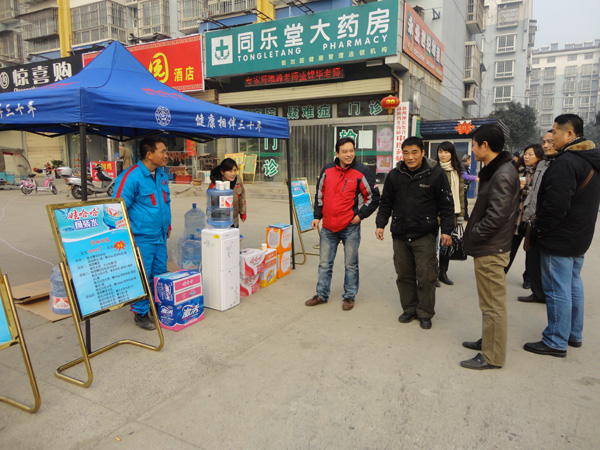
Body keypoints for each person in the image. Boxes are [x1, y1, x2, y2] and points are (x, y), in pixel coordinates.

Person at [524, 114, 600, 358]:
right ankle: (573, 334)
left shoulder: (566, 162)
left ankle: (556, 340)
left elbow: (555, 206)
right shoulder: (589, 160)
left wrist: (540, 230)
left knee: (557, 289)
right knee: (573, 284)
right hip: (579, 236)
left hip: (559, 238)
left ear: (569, 134)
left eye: (555, 132)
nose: (551, 137)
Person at [375, 137, 454, 329]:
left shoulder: (436, 174)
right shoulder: (395, 175)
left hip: (424, 234)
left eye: (414, 152)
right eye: (406, 153)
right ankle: (409, 309)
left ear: (423, 153)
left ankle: (425, 312)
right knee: (404, 275)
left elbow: (446, 205)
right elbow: (386, 202)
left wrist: (446, 230)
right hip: (400, 234)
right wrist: (380, 224)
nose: (410, 157)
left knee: (426, 276)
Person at [460, 124, 520, 370]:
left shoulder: (502, 174)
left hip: (491, 249)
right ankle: (489, 340)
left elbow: (496, 217)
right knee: (488, 303)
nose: (472, 151)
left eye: (474, 145)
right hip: (490, 246)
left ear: (485, 146)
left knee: (493, 305)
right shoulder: (497, 170)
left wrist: (475, 234)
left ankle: (492, 356)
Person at [305, 137, 380, 311]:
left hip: (350, 226)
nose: (349, 154)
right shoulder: (327, 170)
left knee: (350, 264)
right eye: (344, 151)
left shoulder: (361, 171)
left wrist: (359, 216)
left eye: (351, 150)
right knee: (324, 264)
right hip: (328, 226)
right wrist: (317, 216)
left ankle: (349, 296)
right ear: (337, 153)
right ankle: (321, 294)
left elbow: (374, 197)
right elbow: (320, 194)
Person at [113, 136, 171, 330]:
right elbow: (117, 209)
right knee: (141, 275)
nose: (166, 155)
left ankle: (156, 306)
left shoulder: (161, 175)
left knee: (159, 273)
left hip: (160, 236)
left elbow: (166, 203)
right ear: (149, 154)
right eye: (162, 151)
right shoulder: (130, 177)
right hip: (141, 238)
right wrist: (124, 237)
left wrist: (167, 225)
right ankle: (140, 312)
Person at [517, 130, 559, 303]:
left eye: (551, 142)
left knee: (547, 263)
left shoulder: (561, 164)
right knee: (532, 256)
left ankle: (547, 294)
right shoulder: (541, 165)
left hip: (548, 221)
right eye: (544, 142)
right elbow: (534, 192)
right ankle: (537, 292)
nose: (547, 145)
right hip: (530, 218)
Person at [504, 144, 544, 278]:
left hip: (531, 217)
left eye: (530, 154)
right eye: (525, 154)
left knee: (530, 250)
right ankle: (502, 273)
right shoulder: (518, 170)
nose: (526, 157)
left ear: (539, 156)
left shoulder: (541, 173)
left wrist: (524, 188)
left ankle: (528, 278)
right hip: (516, 216)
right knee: (510, 248)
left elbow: (539, 193)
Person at [435, 141, 466, 286]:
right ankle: (432, 274)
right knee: (432, 246)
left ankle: (443, 272)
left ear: (452, 154)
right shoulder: (433, 169)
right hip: (434, 213)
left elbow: (461, 194)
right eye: (440, 151)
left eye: (446, 152)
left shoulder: (457, 171)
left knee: (445, 245)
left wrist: (461, 215)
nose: (443, 155)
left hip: (451, 213)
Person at [209, 158, 246, 228]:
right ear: (222, 172)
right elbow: (213, 207)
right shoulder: (215, 186)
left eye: (235, 170)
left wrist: (242, 212)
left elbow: (242, 196)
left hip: (234, 220)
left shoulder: (237, 179)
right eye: (230, 171)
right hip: (221, 222)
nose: (233, 174)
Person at [461, 154, 478, 221]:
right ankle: (465, 217)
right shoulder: (463, 166)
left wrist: (473, 177)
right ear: (467, 160)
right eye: (470, 159)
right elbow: (464, 176)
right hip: (462, 188)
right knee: (464, 203)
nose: (471, 161)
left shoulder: (465, 166)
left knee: (465, 202)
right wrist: (474, 178)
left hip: (464, 188)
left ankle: (465, 216)